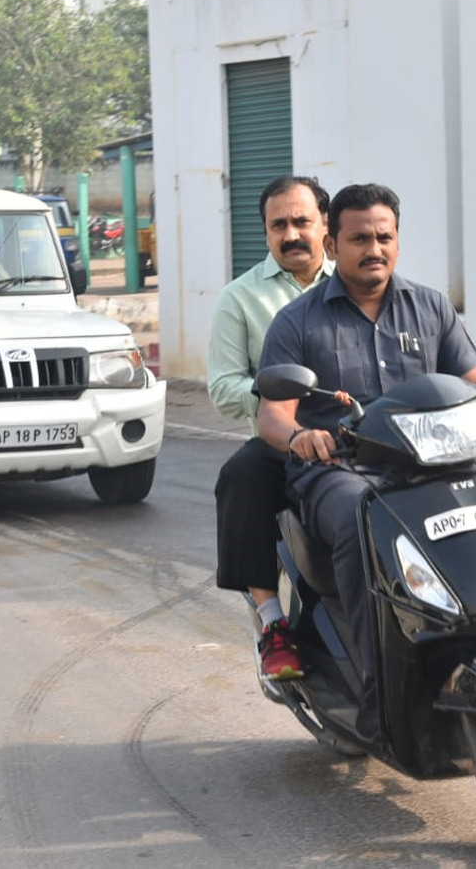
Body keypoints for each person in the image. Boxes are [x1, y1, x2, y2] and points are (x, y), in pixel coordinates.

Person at [255, 182, 476, 734]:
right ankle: (380, 689)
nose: (374, 248)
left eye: (384, 236)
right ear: (333, 244)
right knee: (364, 521)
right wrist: (299, 438)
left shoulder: (431, 306)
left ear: (398, 240)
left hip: (434, 463)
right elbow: (273, 412)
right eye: (359, 237)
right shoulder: (298, 321)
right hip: (343, 471)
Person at [209, 175, 334, 681]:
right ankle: (271, 623)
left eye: (302, 221)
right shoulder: (239, 298)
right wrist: (278, 400)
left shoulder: (357, 282)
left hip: (356, 435)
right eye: (278, 225)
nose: (291, 234)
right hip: (280, 441)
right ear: (265, 233)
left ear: (325, 225)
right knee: (241, 477)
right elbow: (222, 389)